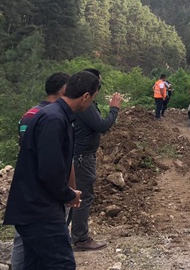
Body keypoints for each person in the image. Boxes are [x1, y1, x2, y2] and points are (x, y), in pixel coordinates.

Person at [4, 71, 100, 270]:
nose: (90, 104)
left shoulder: (55, 115)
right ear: (85, 97)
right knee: (62, 263)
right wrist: (69, 195)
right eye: (92, 99)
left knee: (34, 265)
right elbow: (49, 171)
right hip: (40, 211)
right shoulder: (54, 120)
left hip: (32, 207)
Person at [11, 72, 70, 270]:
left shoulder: (28, 115)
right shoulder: (56, 117)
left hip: (26, 191)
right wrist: (69, 191)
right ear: (63, 89)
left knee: (26, 244)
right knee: (58, 257)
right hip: (45, 197)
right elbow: (54, 161)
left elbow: (25, 149)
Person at [70, 68, 123, 252]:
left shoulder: (80, 103)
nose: (98, 89)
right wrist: (114, 108)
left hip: (80, 155)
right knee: (83, 196)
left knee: (74, 195)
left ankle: (71, 235)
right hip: (83, 157)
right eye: (97, 85)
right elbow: (102, 125)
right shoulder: (86, 105)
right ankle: (80, 239)